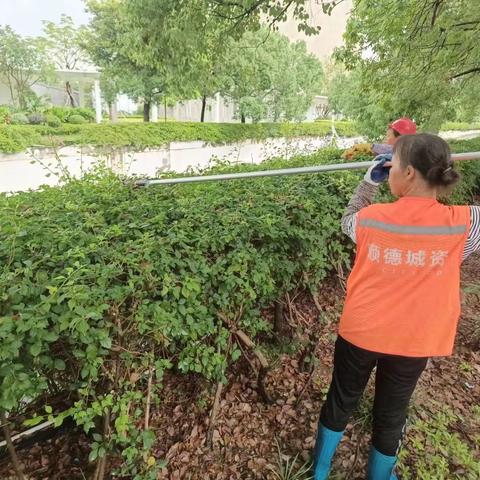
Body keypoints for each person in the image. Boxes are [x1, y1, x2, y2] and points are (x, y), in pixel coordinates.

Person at [312, 133, 480, 479]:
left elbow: (349, 220)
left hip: (362, 332)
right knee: (391, 413)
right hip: (413, 341)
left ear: (407, 174)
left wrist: (365, 185)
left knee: (341, 400)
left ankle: (319, 472)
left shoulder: (371, 218)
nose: (388, 171)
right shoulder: (464, 224)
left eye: (394, 163)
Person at [342, 117, 417, 160]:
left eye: (388, 136)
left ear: (400, 139)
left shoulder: (402, 153)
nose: (385, 139)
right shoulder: (417, 152)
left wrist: (368, 147)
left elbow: (390, 149)